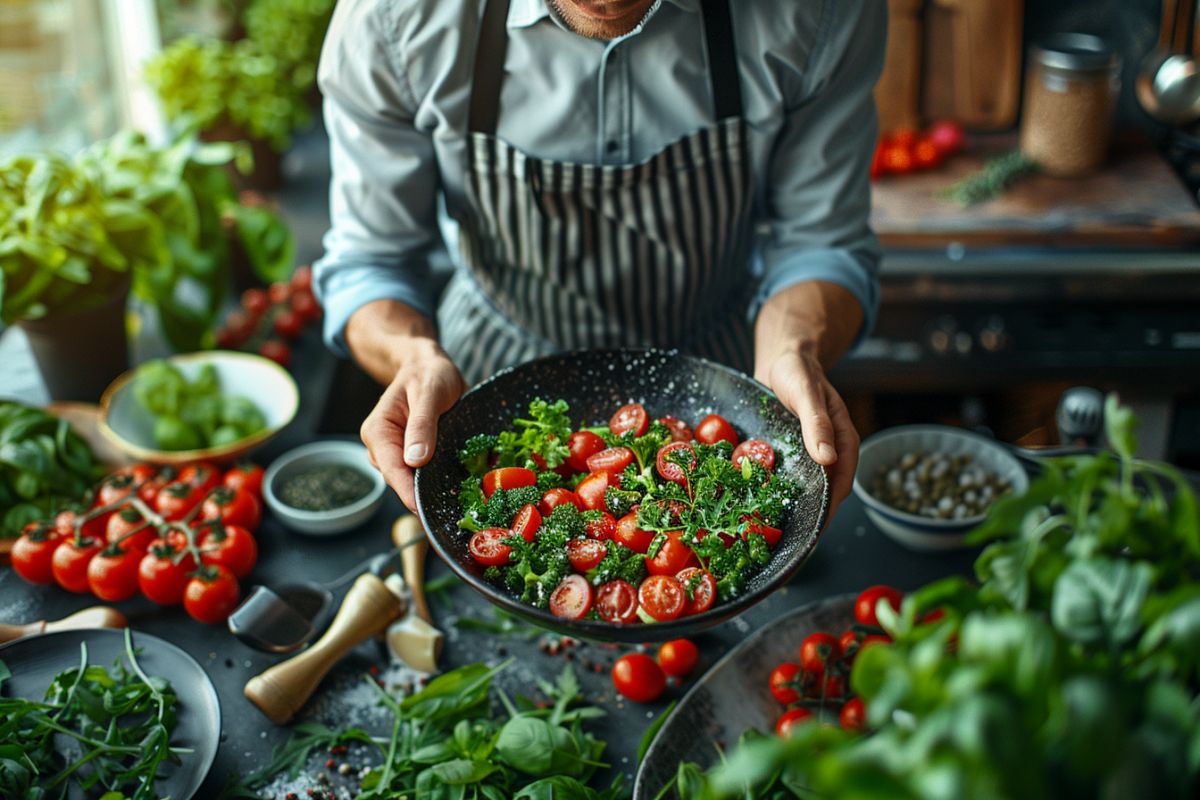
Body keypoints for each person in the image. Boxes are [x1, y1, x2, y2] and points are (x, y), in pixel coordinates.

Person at [313, 0, 885, 522]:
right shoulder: (393, 18)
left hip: (728, 393)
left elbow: (822, 243)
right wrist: (409, 356)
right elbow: (370, 261)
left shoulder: (820, 14)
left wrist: (792, 350)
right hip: (483, 389)